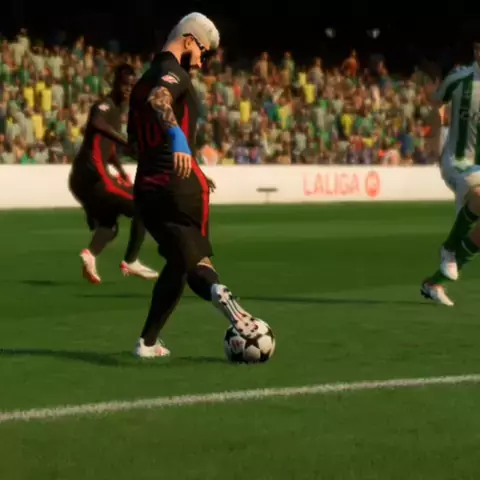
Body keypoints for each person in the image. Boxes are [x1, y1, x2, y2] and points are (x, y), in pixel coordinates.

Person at [128, 12, 261, 358]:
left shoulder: (140, 82)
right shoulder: (173, 73)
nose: (201, 62)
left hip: (146, 188)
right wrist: (179, 142)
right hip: (179, 185)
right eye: (202, 52)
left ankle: (148, 342)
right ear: (188, 41)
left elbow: (135, 142)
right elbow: (161, 99)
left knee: (179, 260)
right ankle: (226, 301)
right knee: (196, 261)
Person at [69, 63, 158, 284]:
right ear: (115, 84)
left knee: (110, 225)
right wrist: (126, 142)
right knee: (144, 206)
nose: (128, 89)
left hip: (86, 179)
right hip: (92, 176)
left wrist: (120, 170)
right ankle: (131, 260)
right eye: (124, 85)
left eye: (131, 86)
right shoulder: (105, 106)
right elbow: (96, 122)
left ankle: (89, 255)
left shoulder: (117, 111)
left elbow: (107, 151)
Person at [422, 42, 480, 306]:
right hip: (457, 162)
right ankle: (448, 249)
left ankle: (435, 283)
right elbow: (436, 101)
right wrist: (434, 139)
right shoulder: (460, 79)